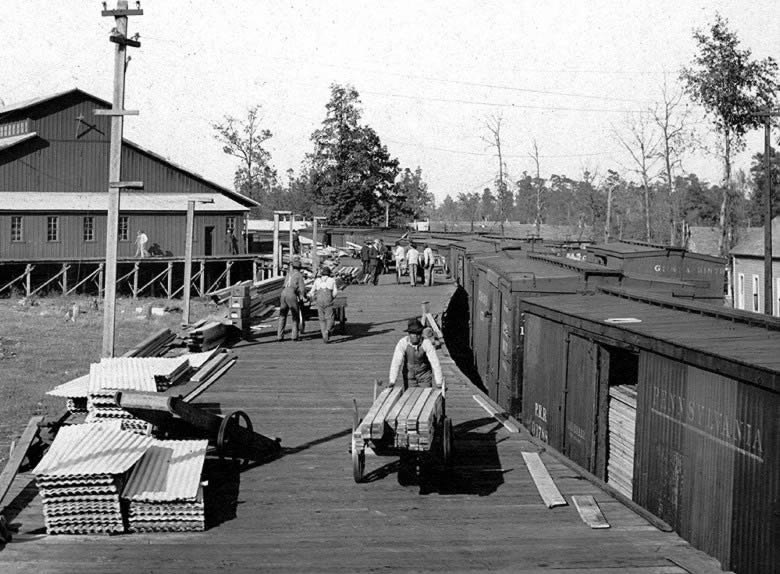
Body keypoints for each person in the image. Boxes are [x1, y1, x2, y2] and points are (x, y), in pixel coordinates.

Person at [388, 318, 443, 389]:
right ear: (409, 334)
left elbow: (435, 362)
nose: (416, 336)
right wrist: (392, 381)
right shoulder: (403, 343)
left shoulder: (426, 343)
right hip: (409, 377)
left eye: (418, 333)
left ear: (421, 334)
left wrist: (439, 382)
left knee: (425, 397)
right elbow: (396, 362)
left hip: (425, 376)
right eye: (413, 333)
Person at [277, 255, 307, 342]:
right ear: (300, 267)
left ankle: (279, 336)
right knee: (295, 315)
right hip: (291, 294)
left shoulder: (288, 274)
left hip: (283, 293)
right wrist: (304, 296)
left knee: (282, 315)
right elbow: (302, 289)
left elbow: (284, 285)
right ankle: (294, 336)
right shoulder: (299, 275)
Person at [309, 266, 338, 343]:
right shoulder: (332, 280)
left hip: (319, 300)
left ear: (322, 274)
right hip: (328, 300)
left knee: (322, 319)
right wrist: (333, 297)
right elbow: (335, 292)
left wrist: (311, 297)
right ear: (329, 274)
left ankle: (324, 335)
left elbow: (312, 292)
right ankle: (328, 331)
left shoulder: (317, 280)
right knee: (330, 317)